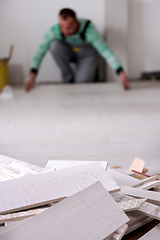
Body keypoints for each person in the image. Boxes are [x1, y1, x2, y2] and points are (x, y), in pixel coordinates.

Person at [25, 8, 130, 91]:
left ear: (76, 23)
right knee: (54, 45)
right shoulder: (54, 31)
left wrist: (121, 73)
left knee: (81, 84)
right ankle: (68, 79)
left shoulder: (89, 30)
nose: (65, 31)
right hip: (69, 53)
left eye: (69, 28)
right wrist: (32, 78)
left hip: (87, 55)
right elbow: (39, 53)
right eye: (62, 27)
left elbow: (106, 51)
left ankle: (90, 74)